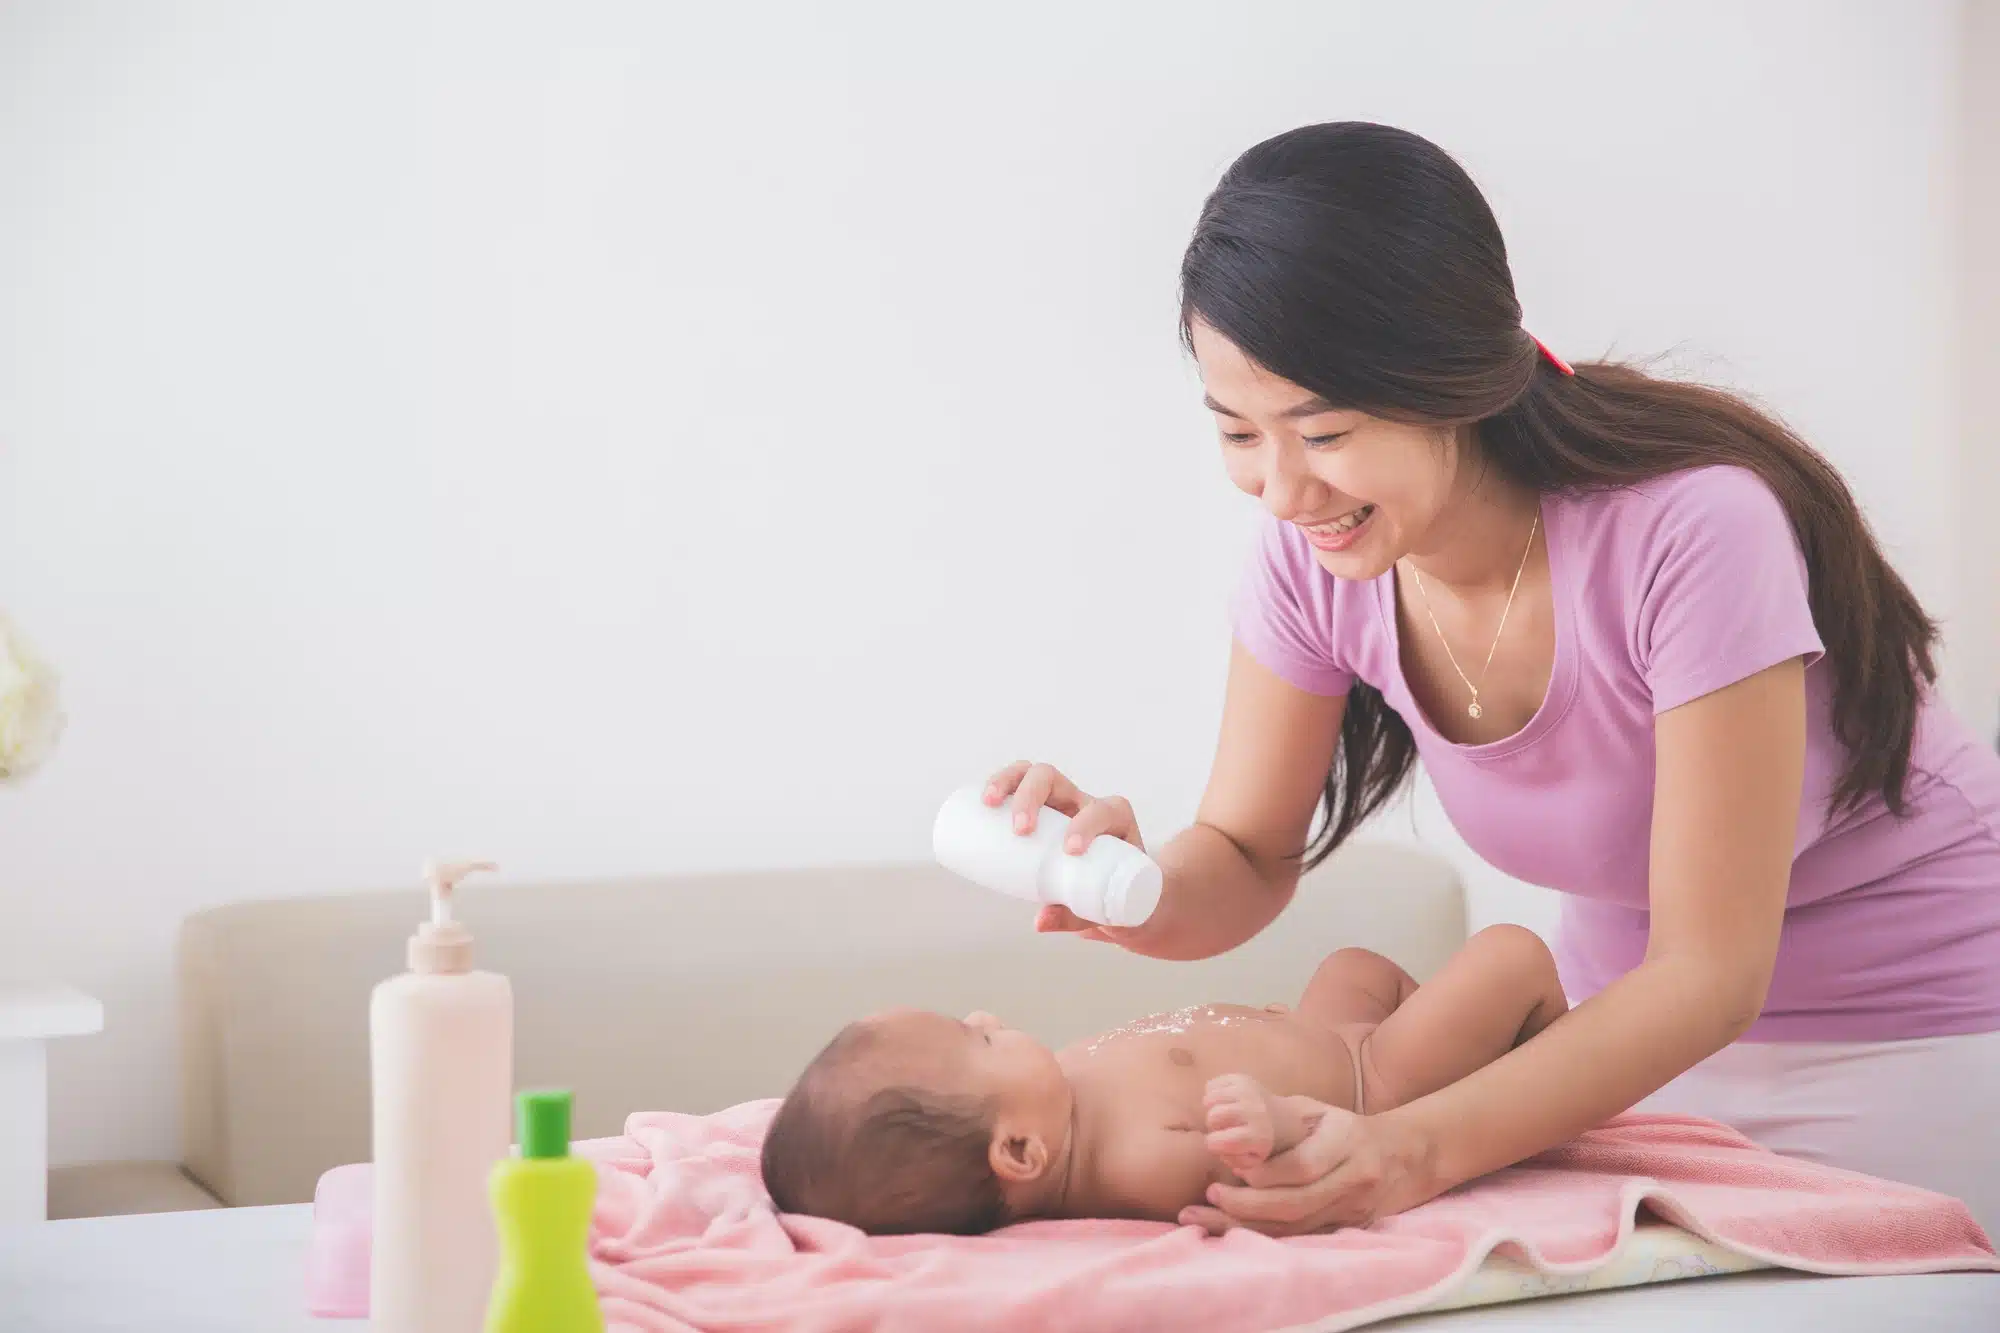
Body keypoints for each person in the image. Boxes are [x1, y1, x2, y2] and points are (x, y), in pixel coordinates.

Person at [988, 121, 2000, 1237]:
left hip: (1913, 1033)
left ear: (1451, 380)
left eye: (1322, 432)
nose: (1279, 489)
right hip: (1611, 1058)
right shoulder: (1313, 563)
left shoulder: (1690, 531)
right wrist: (1127, 886)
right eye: (1237, 433)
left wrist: (1403, 1151)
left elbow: (1710, 972)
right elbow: (1243, 850)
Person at [759, 926, 1565, 1234]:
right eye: (977, 1040)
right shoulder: (1136, 1164)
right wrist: (1274, 1122)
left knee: (1353, 963)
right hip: (1372, 1081)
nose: (984, 1015)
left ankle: (1484, 1063)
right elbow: (1272, 1185)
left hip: (1326, 1024)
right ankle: (1542, 1094)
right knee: (1512, 954)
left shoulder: (1059, 1098)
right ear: (1018, 1150)